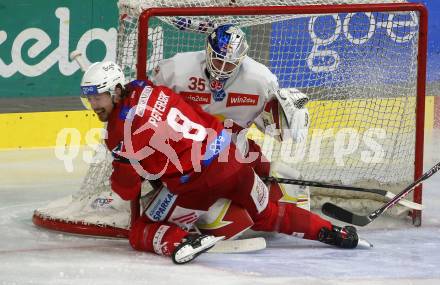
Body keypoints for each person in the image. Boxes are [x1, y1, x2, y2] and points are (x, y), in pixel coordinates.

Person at [79, 60, 359, 264]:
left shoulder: (119, 130)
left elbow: (126, 190)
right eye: (89, 98)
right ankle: (331, 231)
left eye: (98, 97)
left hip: (197, 186)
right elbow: (197, 115)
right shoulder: (152, 90)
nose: (94, 105)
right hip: (232, 160)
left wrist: (130, 165)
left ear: (116, 90)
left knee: (140, 231)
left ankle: (183, 241)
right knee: (269, 214)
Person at [151, 23, 311, 236]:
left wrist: (291, 117)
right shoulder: (176, 69)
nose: (222, 69)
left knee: (293, 192)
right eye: (218, 60)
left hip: (236, 157)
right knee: (232, 223)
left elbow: (274, 128)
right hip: (190, 164)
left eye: (231, 63)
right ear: (208, 51)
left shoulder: (260, 80)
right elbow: (148, 105)